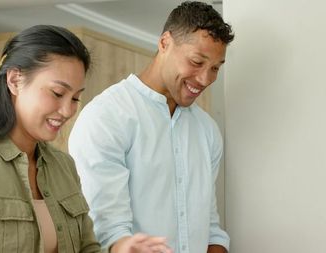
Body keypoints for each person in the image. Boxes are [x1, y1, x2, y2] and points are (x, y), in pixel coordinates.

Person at [0, 25, 170, 253]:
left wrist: (119, 250)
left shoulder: (63, 166)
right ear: (14, 80)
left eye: (75, 98)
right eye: (58, 93)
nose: (67, 110)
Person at [68, 2, 234, 253]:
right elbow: (106, 233)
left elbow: (209, 227)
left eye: (215, 69)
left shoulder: (207, 131)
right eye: (197, 62)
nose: (205, 79)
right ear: (165, 43)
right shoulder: (106, 117)